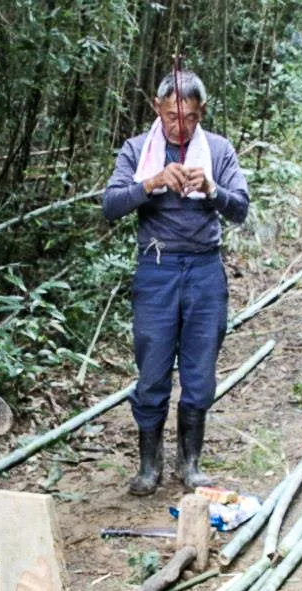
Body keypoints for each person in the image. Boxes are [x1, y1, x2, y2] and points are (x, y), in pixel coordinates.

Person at [103, 70, 250, 496]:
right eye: (170, 117)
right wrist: (150, 183)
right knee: (151, 371)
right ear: (157, 108)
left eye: (188, 118)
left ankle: (191, 463)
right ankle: (150, 466)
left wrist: (212, 189)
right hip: (157, 270)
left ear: (201, 113)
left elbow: (240, 208)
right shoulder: (137, 150)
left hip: (205, 271)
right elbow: (110, 205)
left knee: (200, 370)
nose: (178, 126)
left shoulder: (218, 150)